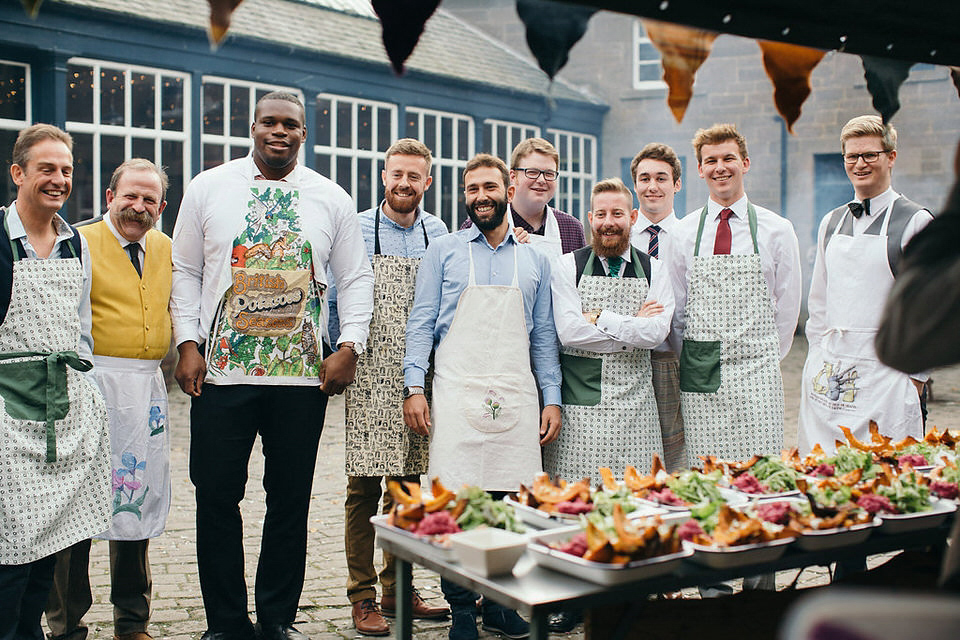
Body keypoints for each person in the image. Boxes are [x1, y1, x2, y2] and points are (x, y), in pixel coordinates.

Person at [171, 91, 374, 640]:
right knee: (216, 496)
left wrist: (349, 346)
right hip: (223, 374)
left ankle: (277, 620)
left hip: (301, 378)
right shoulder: (209, 187)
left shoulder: (330, 197)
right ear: (252, 126)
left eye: (290, 124)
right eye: (269, 122)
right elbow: (185, 270)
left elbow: (356, 278)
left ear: (303, 133)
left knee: (290, 500)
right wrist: (187, 342)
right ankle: (226, 624)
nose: (279, 132)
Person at [403, 153, 562, 640]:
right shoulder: (445, 252)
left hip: (516, 397)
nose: (480, 197)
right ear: (464, 196)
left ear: (508, 192)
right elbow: (422, 324)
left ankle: (496, 604)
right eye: (472, 189)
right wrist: (414, 387)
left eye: (489, 187)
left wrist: (551, 396)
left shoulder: (534, 257)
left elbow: (542, 336)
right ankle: (462, 610)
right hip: (455, 393)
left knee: (508, 504)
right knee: (455, 504)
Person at [668, 124, 800, 595]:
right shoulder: (683, 234)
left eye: (728, 158)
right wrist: (700, 358)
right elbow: (679, 312)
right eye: (710, 161)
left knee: (758, 482)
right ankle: (714, 593)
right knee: (710, 482)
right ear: (700, 169)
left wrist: (762, 356)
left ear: (745, 163)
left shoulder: (778, 230)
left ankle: (759, 591)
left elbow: (787, 309)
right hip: (701, 369)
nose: (719, 168)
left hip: (759, 369)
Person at [45, 159, 173, 640]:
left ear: (161, 207)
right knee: (75, 507)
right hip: (89, 384)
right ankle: (66, 623)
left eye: (150, 201)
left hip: (145, 392)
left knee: (133, 501)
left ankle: (131, 620)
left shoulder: (166, 247)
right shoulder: (76, 242)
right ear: (108, 197)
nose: (139, 208)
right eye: (130, 197)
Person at [327, 139, 449, 635]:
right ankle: (362, 596)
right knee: (363, 486)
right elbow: (336, 295)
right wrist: (337, 353)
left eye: (414, 176)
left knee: (408, 486)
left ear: (427, 182)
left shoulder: (437, 231)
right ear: (383, 176)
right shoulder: (356, 227)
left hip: (420, 371)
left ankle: (399, 588)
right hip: (369, 366)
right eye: (396, 174)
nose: (404, 183)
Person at [0, 124, 110, 640]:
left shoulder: (75, 245)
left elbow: (80, 329)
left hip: (65, 410)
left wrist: (88, 402)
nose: (59, 179)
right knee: (9, 554)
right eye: (47, 169)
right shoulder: (0, 239)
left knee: (50, 544)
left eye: (66, 170)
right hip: (7, 413)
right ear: (18, 173)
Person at [799, 116, 933, 454]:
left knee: (886, 475)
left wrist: (916, 380)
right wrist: (816, 358)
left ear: (891, 157)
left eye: (870, 155)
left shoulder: (916, 221)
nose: (860, 164)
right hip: (833, 377)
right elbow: (819, 304)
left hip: (889, 378)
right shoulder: (831, 222)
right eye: (851, 156)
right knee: (825, 469)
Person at [546, 177, 672, 480]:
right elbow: (570, 333)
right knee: (575, 501)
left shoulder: (655, 267)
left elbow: (657, 334)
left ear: (632, 217)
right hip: (580, 413)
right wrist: (635, 329)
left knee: (639, 502)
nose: (608, 223)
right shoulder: (567, 266)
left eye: (617, 214)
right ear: (591, 219)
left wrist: (599, 317)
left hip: (637, 411)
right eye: (600, 215)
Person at [629, 142, 686, 472]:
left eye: (661, 178)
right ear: (635, 184)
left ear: (676, 184)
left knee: (676, 448)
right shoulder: (617, 235)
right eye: (644, 178)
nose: (652, 186)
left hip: (676, 359)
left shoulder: (690, 236)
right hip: (628, 358)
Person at [461, 138, 585, 258]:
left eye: (549, 174)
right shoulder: (477, 225)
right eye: (532, 172)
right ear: (512, 177)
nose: (541, 180)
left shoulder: (572, 229)